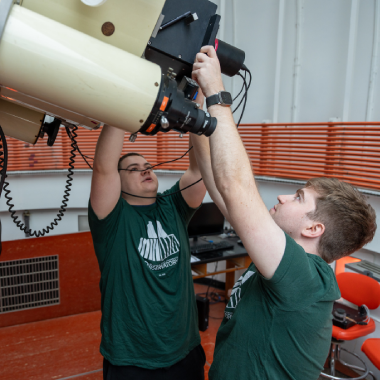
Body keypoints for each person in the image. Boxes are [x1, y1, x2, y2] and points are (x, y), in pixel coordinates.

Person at [191, 45, 377, 380]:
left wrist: (216, 94)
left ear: (313, 228)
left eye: (298, 197)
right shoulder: (287, 260)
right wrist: (195, 116)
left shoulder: (304, 278)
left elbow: (236, 187)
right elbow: (222, 190)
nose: (283, 196)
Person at [88, 124, 207, 379]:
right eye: (133, 169)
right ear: (117, 182)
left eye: (147, 166)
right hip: (132, 359)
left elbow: (199, 170)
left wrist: (198, 112)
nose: (145, 170)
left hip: (185, 351)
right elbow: (103, 168)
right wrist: (123, 109)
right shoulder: (111, 218)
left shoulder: (174, 204)